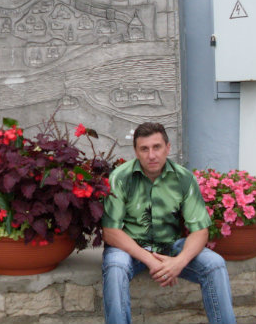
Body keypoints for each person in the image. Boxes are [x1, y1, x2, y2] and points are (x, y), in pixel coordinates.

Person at [101, 122, 236, 324]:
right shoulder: (120, 177)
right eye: (144, 149)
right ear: (136, 152)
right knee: (115, 266)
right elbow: (110, 231)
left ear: (168, 148)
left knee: (215, 264)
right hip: (131, 248)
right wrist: (151, 260)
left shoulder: (183, 178)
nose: (151, 155)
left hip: (171, 246)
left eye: (157, 147)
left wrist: (178, 262)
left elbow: (200, 231)